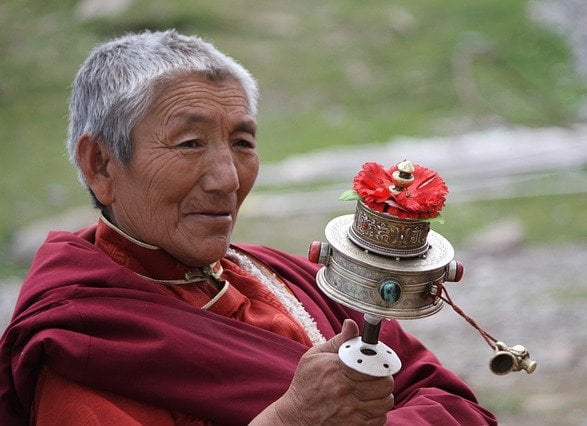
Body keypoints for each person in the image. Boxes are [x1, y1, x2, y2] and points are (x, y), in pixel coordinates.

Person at [0, 30, 497, 425]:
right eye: (190, 143)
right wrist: (291, 420)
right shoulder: (81, 341)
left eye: (241, 142)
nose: (228, 179)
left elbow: (457, 404)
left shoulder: (288, 278)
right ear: (102, 166)